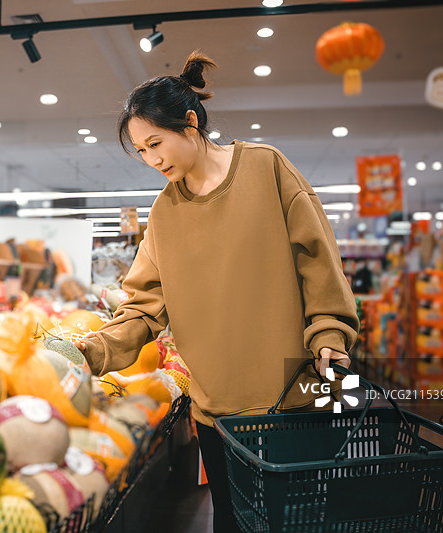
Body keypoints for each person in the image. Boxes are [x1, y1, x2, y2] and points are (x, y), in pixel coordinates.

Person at [75, 51, 359, 533]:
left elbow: (318, 260)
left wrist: (330, 333)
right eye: (141, 151)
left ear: (190, 123)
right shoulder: (163, 213)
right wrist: (90, 352)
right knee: (232, 522)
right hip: (217, 412)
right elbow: (142, 307)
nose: (152, 160)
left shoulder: (266, 167)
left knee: (301, 522)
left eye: (155, 143)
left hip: (295, 395)